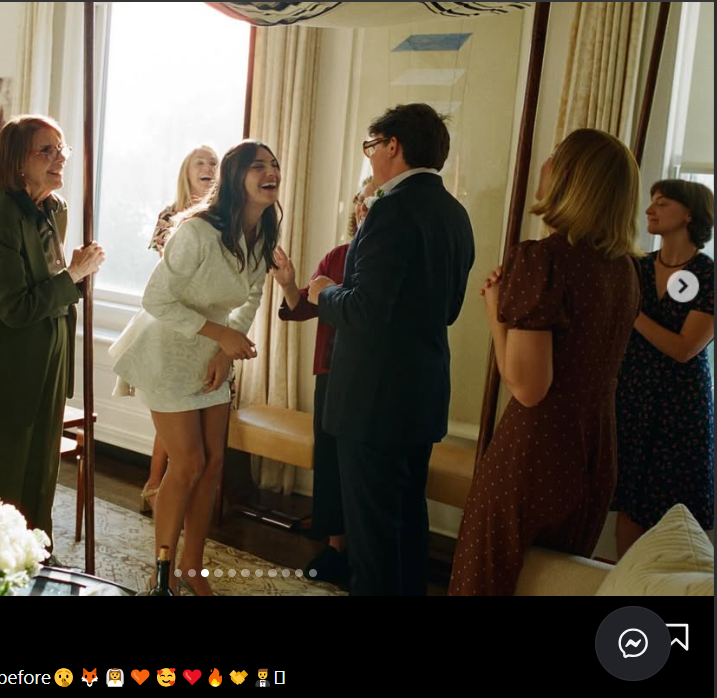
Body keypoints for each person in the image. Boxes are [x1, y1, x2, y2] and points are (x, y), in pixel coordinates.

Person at [448, 128, 642, 596]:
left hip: (537, 449)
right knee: (549, 584)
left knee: (484, 580)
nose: (545, 163)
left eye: (555, 156)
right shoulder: (624, 268)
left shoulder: (543, 259)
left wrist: (496, 311)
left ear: (572, 179)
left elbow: (528, 387)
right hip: (595, 446)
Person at [308, 104, 475, 595]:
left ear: (392, 146)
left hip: (373, 401)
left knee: (372, 540)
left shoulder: (391, 210)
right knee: (406, 527)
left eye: (371, 147)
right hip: (419, 395)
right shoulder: (454, 213)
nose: (371, 158)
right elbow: (447, 309)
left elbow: (364, 309)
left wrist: (323, 292)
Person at [111, 140, 280, 595]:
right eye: (258, 165)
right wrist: (219, 334)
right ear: (234, 178)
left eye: (274, 165)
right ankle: (160, 574)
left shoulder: (263, 230)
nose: (271, 171)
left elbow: (253, 296)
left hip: (210, 356)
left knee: (213, 465)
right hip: (166, 351)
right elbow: (155, 300)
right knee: (186, 464)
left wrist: (225, 349)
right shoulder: (197, 231)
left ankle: (191, 566)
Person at [0, 114, 105, 539]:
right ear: (19, 160)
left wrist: (75, 276)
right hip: (6, 365)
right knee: (1, 480)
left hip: (49, 356)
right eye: (47, 150)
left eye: (63, 150)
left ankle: (36, 552)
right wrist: (75, 274)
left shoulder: (55, 210)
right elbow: (15, 308)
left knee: (42, 470)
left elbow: (53, 283)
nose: (60, 159)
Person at [272, 176, 375, 586]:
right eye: (361, 202)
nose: (365, 209)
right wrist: (287, 282)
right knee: (331, 463)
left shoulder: (386, 258)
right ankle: (336, 549)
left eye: (374, 202)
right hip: (330, 375)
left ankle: (364, 556)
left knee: (361, 467)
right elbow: (303, 306)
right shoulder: (337, 256)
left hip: (371, 379)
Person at [613, 179, 714, 556]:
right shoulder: (636, 267)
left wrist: (633, 313)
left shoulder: (707, 274)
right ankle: (625, 588)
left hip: (679, 405)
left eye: (663, 203)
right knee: (630, 498)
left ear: (689, 214)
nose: (650, 209)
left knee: (676, 506)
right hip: (634, 395)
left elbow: (685, 348)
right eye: (651, 202)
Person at [140, 146, 219, 513]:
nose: (207, 167)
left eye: (213, 163)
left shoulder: (223, 217)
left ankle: (178, 486)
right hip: (173, 317)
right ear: (186, 171)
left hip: (211, 322)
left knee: (193, 410)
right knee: (170, 407)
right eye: (199, 162)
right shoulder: (170, 215)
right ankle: (155, 482)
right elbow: (165, 273)